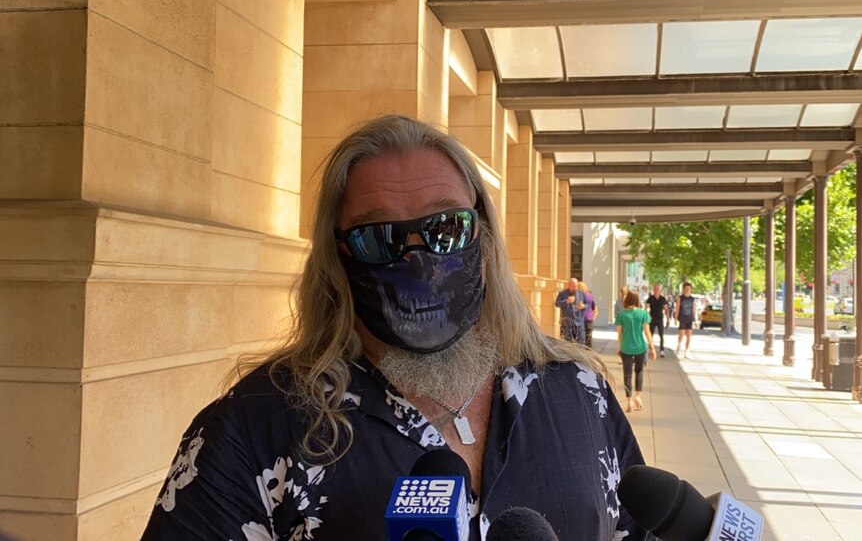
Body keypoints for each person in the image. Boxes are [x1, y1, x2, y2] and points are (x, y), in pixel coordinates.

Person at [141, 115, 652, 540]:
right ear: (339, 257)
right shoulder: (254, 429)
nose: (419, 261)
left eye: (445, 227)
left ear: (486, 238)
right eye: (378, 236)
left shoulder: (579, 392)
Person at [615, 290, 656, 412]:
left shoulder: (622, 315)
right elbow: (647, 332)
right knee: (639, 372)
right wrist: (652, 348)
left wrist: (619, 347)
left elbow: (619, 334)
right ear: (637, 300)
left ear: (627, 300)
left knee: (627, 374)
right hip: (640, 347)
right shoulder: (643, 314)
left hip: (626, 347)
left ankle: (629, 401)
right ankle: (638, 397)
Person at [555, 277, 586, 345]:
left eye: (576, 286)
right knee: (567, 343)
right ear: (569, 285)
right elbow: (557, 303)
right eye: (573, 286)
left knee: (580, 343)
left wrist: (584, 306)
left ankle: (579, 355)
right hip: (567, 323)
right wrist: (566, 301)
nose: (574, 288)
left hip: (579, 323)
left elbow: (588, 305)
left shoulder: (581, 294)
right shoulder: (562, 294)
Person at [644, 284, 669, 357]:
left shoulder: (662, 299)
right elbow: (646, 308)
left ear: (660, 290)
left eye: (658, 289)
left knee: (661, 334)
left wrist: (667, 319)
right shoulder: (650, 298)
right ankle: (650, 348)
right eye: (655, 289)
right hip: (652, 319)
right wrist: (647, 317)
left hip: (660, 318)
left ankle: (661, 349)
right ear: (653, 290)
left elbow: (666, 309)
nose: (656, 290)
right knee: (650, 334)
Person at [675, 282, 696, 358]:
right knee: (681, 335)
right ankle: (679, 348)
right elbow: (677, 308)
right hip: (682, 318)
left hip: (690, 318)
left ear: (691, 290)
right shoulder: (680, 298)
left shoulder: (692, 299)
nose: (687, 290)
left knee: (689, 336)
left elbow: (693, 309)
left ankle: (687, 351)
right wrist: (675, 318)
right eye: (686, 288)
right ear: (684, 289)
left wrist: (695, 320)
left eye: (689, 289)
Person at [579, 281, 598, 349]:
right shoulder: (590, 296)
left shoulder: (580, 296)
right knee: (588, 336)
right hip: (589, 318)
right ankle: (588, 350)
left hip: (581, 318)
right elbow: (594, 307)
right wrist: (594, 316)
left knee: (580, 336)